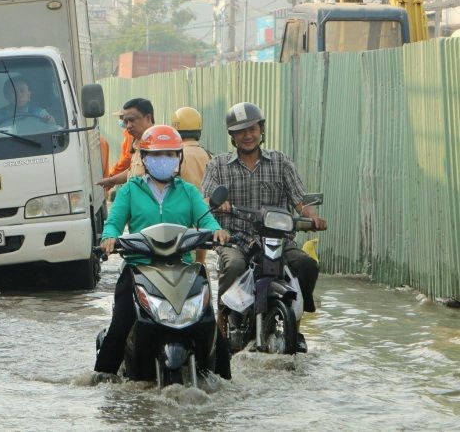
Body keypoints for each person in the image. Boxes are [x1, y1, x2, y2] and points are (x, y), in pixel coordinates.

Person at [94, 125, 229, 375]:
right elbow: (113, 222)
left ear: (179, 157)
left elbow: (205, 219)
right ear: (144, 158)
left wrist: (217, 231)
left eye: (169, 154)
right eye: (156, 155)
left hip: (184, 267)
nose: (163, 160)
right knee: (121, 322)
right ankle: (102, 379)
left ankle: (225, 385)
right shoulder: (130, 190)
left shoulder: (188, 191)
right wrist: (109, 238)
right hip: (139, 266)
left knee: (210, 326)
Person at [201, 102, 328, 344]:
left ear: (261, 130)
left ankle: (297, 316)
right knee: (234, 266)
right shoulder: (217, 165)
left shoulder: (280, 162)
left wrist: (312, 216)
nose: (248, 136)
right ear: (232, 136)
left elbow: (300, 199)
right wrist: (218, 202)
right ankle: (223, 318)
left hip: (277, 239)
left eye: (252, 129)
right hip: (235, 238)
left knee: (306, 264)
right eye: (241, 131)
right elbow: (204, 198)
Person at [173, 106, 213, 264]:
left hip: (181, 217)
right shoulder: (208, 155)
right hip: (202, 215)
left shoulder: (176, 155)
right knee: (200, 264)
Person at [97, 98, 155, 190]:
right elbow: (133, 170)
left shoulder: (159, 146)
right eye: (126, 121)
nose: (128, 126)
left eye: (132, 120)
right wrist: (111, 180)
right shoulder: (138, 143)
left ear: (148, 118)